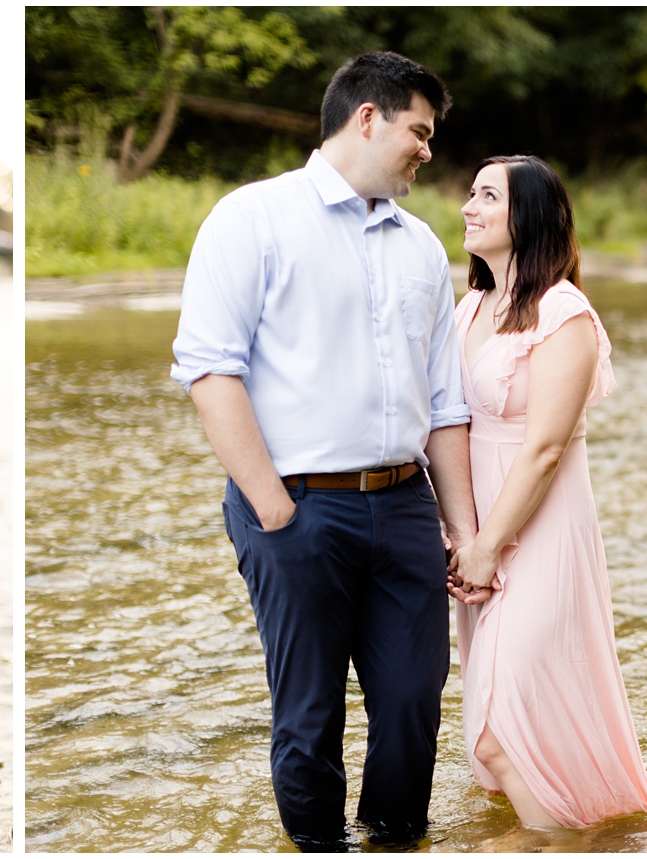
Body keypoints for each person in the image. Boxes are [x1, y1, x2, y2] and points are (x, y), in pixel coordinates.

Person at [170, 51, 479, 851]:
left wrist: (465, 529)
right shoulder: (251, 217)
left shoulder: (419, 246)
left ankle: (394, 838)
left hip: (405, 503)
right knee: (309, 713)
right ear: (366, 117)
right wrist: (274, 506)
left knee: (414, 698)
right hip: (296, 505)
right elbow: (211, 370)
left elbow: (444, 405)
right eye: (419, 130)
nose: (427, 149)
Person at [447, 155, 647, 829]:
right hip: (474, 536)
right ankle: (561, 831)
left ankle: (569, 846)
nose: (468, 207)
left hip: (536, 534)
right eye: (470, 194)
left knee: (498, 734)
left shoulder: (562, 312)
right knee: (495, 728)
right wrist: (458, 538)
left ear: (529, 216)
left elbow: (541, 449)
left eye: (486, 196)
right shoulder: (471, 305)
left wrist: (487, 547)